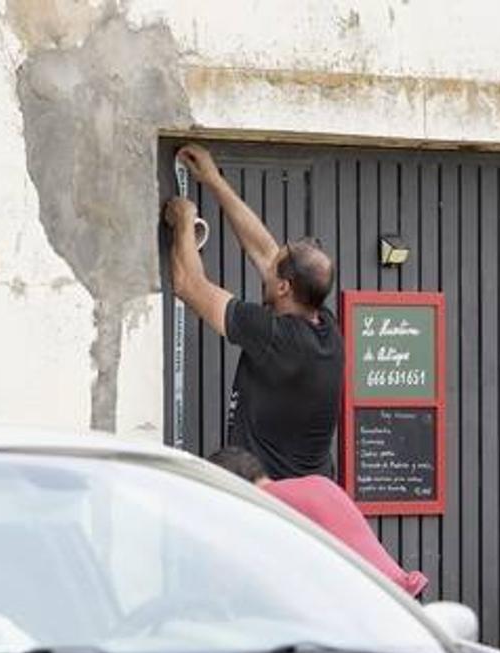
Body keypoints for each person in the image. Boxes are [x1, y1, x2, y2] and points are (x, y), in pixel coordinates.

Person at [163, 144, 342, 479]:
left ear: (284, 288)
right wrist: (214, 180)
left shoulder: (276, 337)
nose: (270, 256)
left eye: (276, 266)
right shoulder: (325, 328)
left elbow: (187, 283)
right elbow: (264, 250)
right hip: (309, 493)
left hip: (273, 498)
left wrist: (184, 223)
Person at [207, 447, 428, 598]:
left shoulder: (268, 506)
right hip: (403, 595)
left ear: (232, 486)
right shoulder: (318, 483)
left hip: (374, 606)